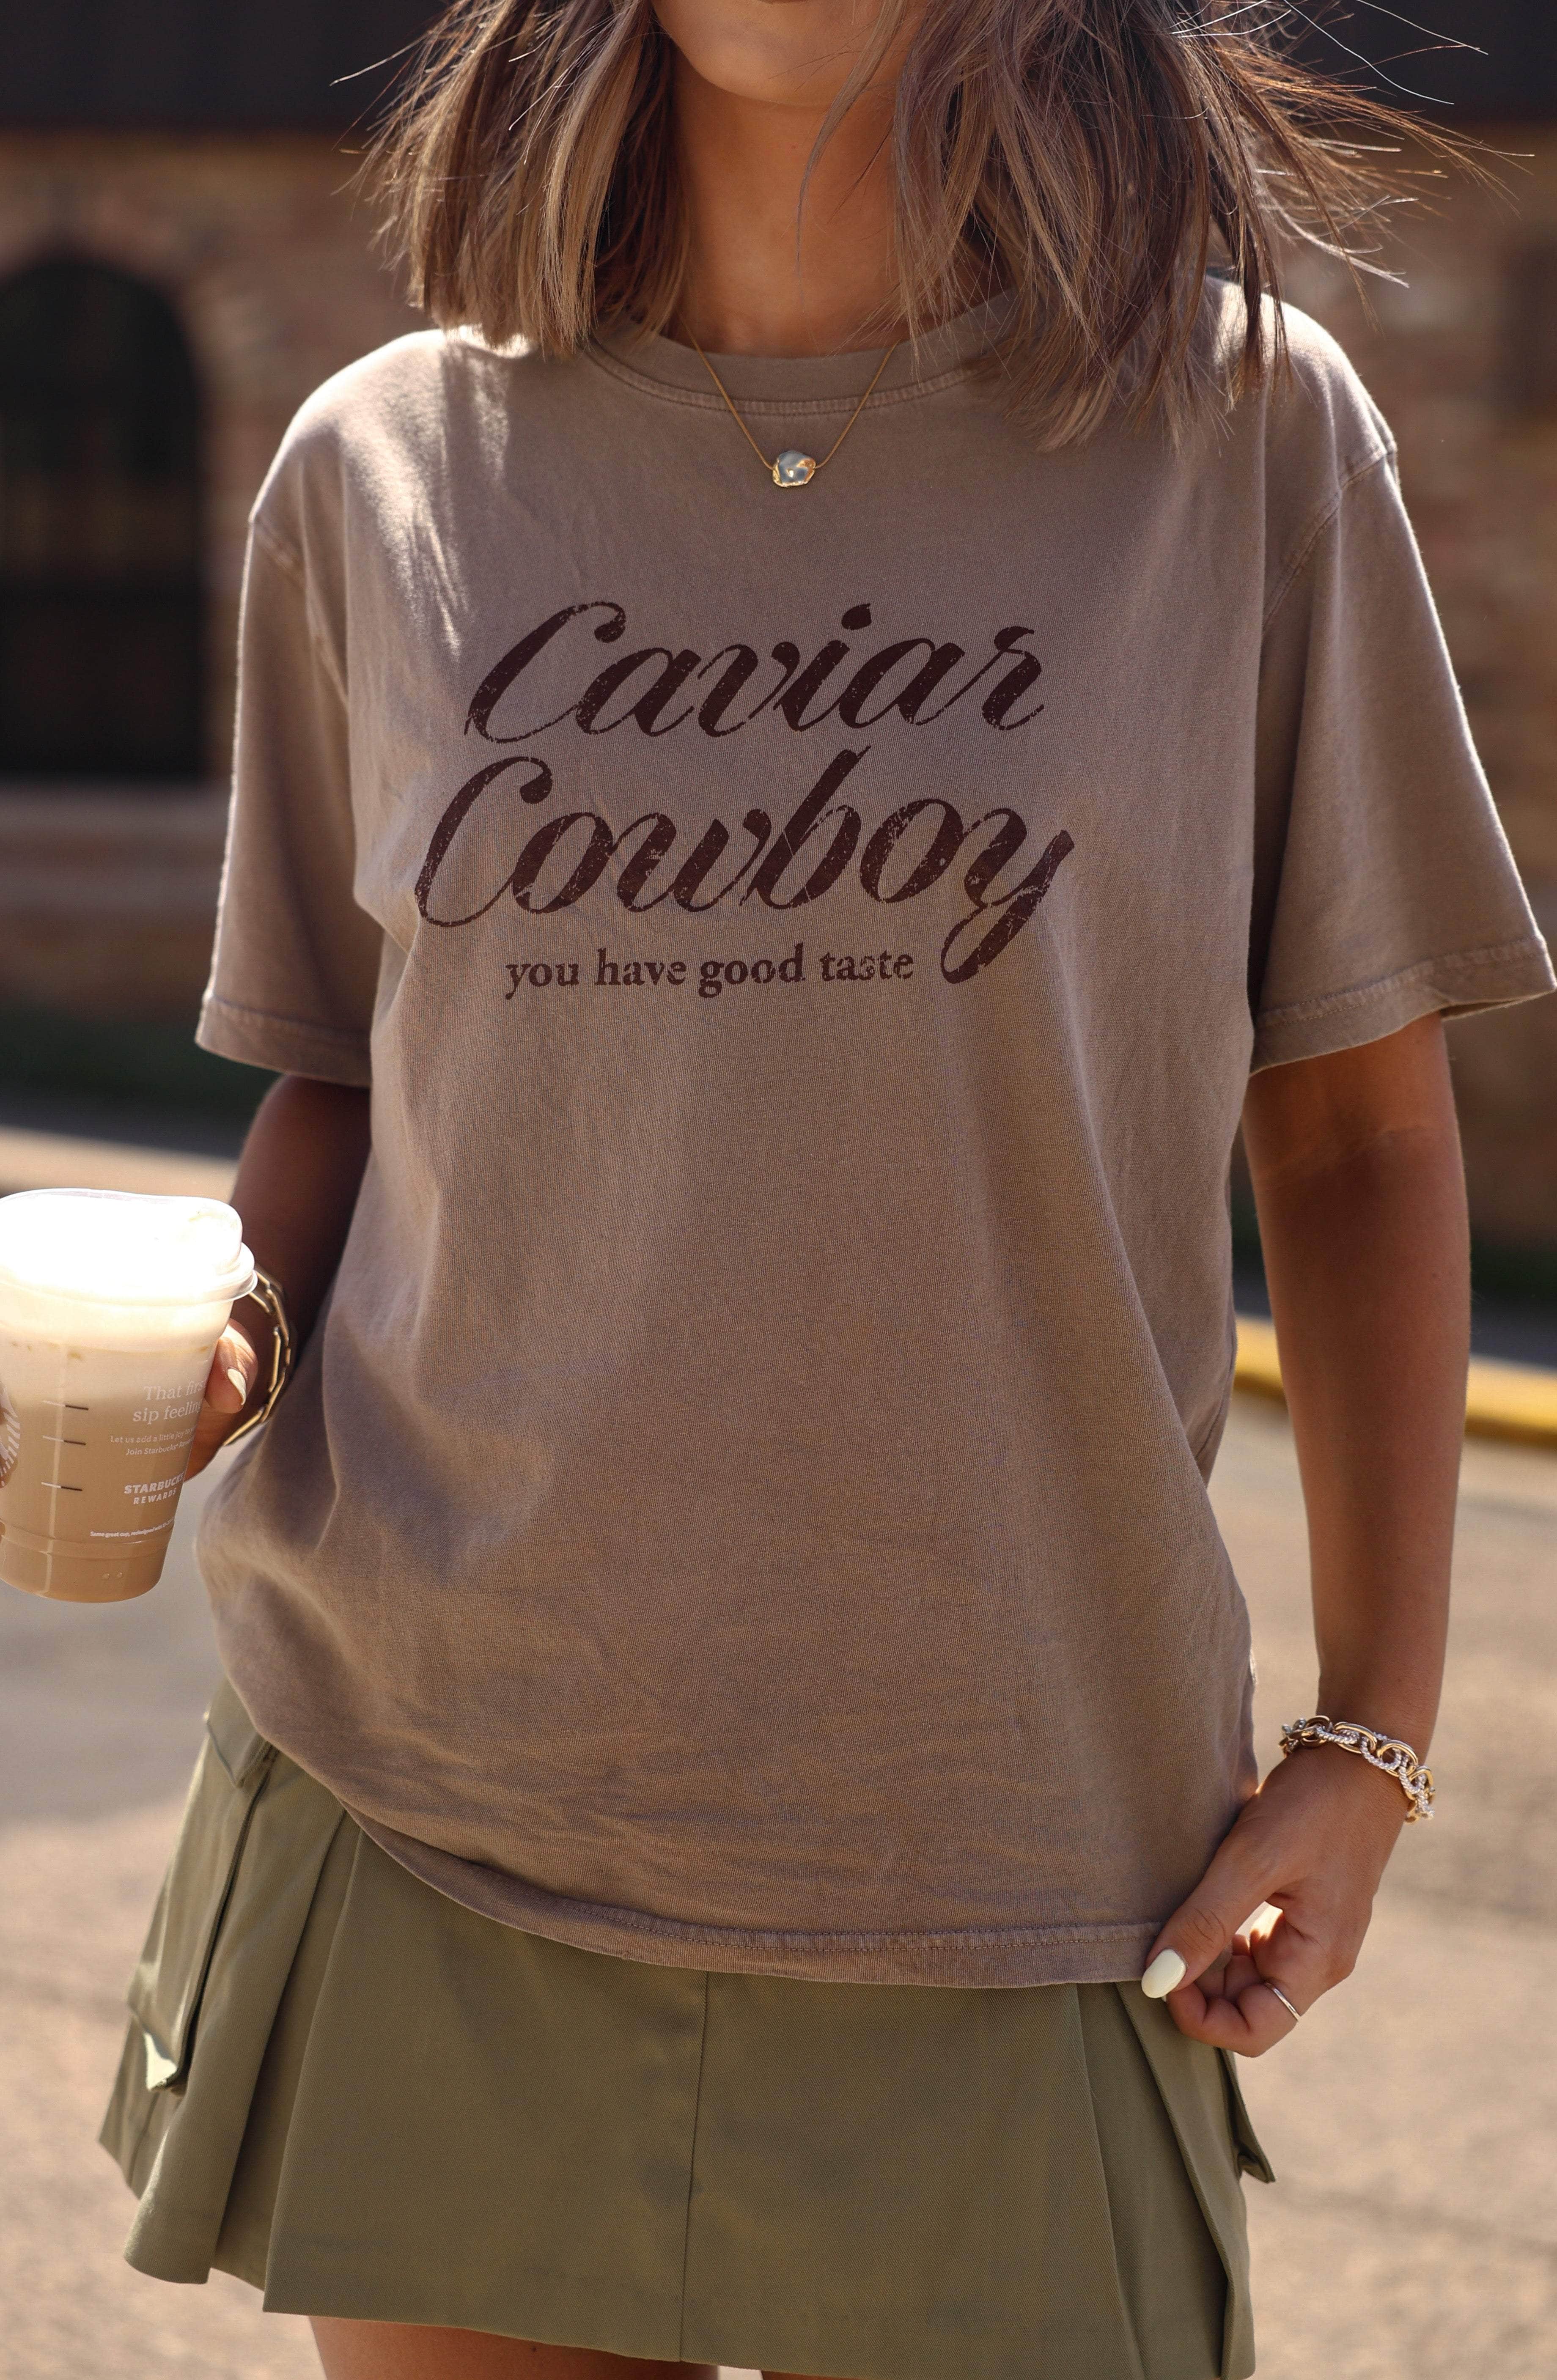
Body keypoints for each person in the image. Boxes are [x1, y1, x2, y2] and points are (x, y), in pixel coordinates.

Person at [100, 4, 1553, 2377]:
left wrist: (1368, 1737)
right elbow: (343, 1086)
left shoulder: (1245, 437)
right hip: (430, 1802)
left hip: (1022, 1853)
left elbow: (1360, 1130)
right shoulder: (379, 467)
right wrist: (204, 1339)